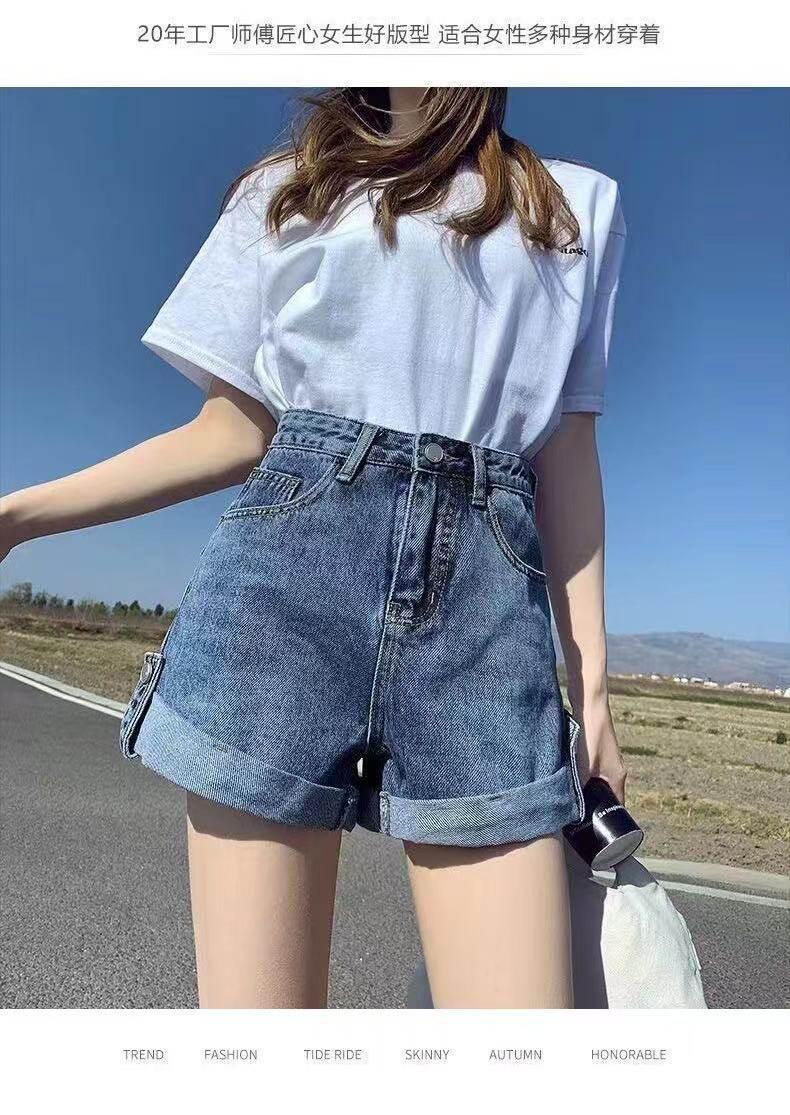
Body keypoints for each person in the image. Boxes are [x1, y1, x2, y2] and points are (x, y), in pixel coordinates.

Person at [0, 87, 628, 1009]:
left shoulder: (572, 205)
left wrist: (594, 694)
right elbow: (233, 432)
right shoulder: (289, 188)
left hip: (485, 618)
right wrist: (16, 518)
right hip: (282, 597)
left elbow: (566, 452)